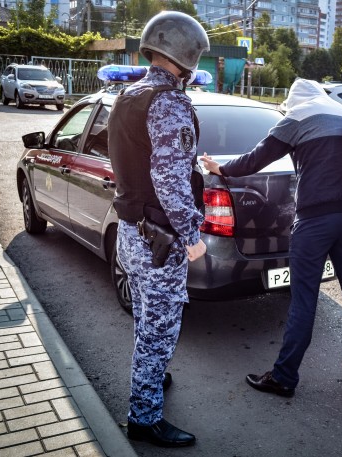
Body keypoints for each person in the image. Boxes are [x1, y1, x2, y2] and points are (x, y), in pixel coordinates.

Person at [201, 78, 342, 397]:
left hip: (315, 219)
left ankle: (284, 376)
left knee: (303, 297)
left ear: (291, 101)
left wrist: (220, 168)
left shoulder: (296, 117)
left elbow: (256, 159)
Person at [107, 11, 209, 447]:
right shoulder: (168, 102)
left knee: (147, 319)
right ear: (185, 57)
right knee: (159, 327)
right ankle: (144, 418)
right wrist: (191, 237)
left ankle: (150, 379)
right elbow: (170, 180)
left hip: (132, 231)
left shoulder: (128, 95)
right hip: (160, 239)